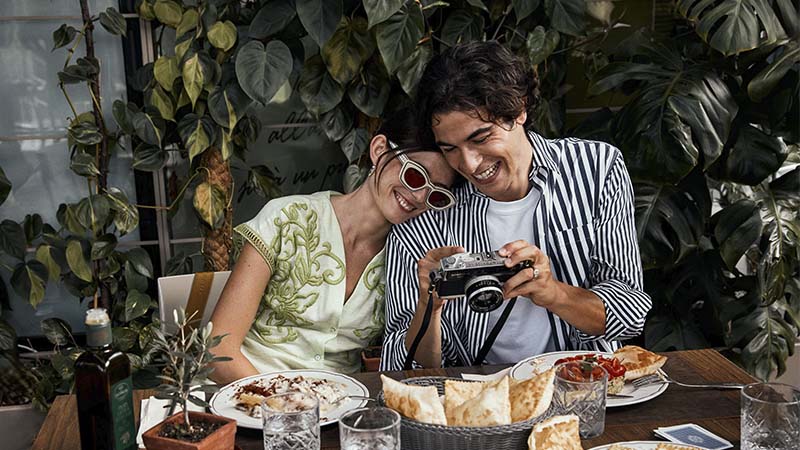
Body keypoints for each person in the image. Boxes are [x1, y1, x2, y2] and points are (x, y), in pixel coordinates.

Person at [380, 41, 652, 370]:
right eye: (450, 148)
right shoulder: (430, 214)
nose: (469, 163)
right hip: (477, 404)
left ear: (520, 109)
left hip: (583, 386)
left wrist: (553, 292)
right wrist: (428, 307)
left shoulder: (596, 168)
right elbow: (403, 365)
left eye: (480, 138)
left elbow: (631, 311)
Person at [208, 109, 457, 383]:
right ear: (379, 149)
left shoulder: (409, 257)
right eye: (415, 176)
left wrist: (429, 304)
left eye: (436, 195)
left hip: (336, 409)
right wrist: (282, 407)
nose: (420, 196)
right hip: (246, 393)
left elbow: (425, 363)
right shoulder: (286, 218)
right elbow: (219, 349)